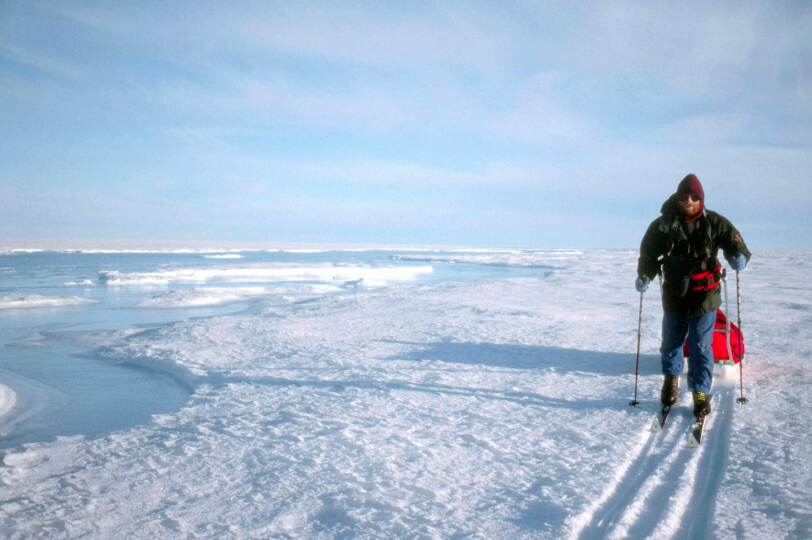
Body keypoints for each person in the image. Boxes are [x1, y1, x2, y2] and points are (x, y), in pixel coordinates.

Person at [635, 174, 750, 418]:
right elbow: (648, 253)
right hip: (674, 292)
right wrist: (645, 274)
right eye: (684, 196)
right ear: (678, 198)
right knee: (671, 341)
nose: (689, 200)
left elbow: (735, 242)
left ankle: (700, 392)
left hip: (705, 294)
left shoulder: (714, 222)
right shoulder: (662, 225)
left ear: (700, 198)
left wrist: (738, 257)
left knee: (700, 343)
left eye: (694, 196)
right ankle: (671, 379)